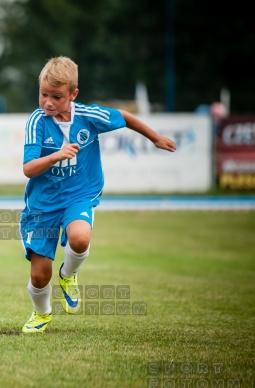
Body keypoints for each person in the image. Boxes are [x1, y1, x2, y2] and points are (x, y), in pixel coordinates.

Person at [20, 56, 177, 333]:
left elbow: (124, 117)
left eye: (56, 97)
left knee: (80, 238)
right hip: (42, 204)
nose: (47, 102)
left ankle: (68, 275)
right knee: (39, 274)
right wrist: (57, 155)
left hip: (80, 193)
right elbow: (28, 169)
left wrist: (154, 137)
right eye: (43, 94)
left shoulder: (89, 116)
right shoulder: (36, 121)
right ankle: (41, 314)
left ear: (73, 94)